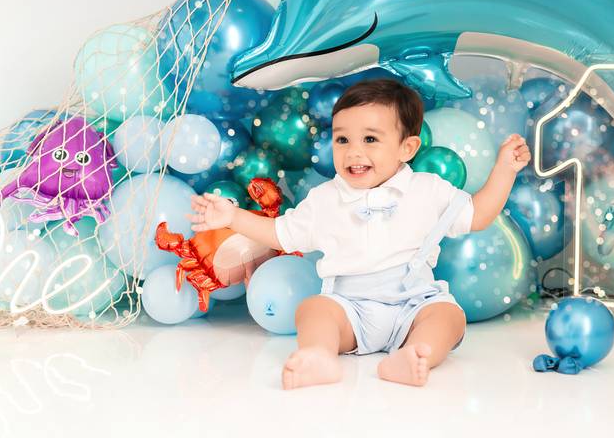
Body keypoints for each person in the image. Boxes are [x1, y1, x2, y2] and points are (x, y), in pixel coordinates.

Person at [187, 79, 531, 389]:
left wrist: (505, 170)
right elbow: (281, 233)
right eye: (342, 139)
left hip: (414, 301)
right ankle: (320, 356)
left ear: (407, 148)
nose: (353, 151)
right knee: (313, 310)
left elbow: (478, 215)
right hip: (350, 307)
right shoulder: (325, 198)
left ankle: (414, 353)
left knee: (449, 317)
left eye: (370, 139)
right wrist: (233, 217)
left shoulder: (427, 188)